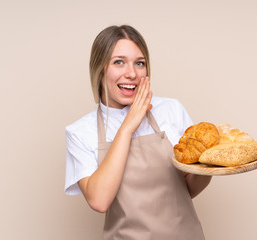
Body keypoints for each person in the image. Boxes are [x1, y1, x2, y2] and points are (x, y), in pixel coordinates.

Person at [64, 25, 212, 240]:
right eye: (118, 62)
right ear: (100, 68)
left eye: (139, 63)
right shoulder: (80, 132)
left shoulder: (171, 110)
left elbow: (187, 189)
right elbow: (99, 200)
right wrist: (128, 125)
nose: (132, 73)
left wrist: (208, 165)